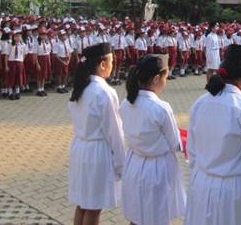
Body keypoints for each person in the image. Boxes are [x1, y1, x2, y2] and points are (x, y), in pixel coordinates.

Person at [185, 44, 241, 225]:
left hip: (201, 184)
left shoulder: (200, 103)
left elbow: (192, 154)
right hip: (233, 193)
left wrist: (198, 182)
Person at [120, 54, 186, 225]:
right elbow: (175, 144)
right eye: (166, 76)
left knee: (137, 216)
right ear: (157, 78)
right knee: (157, 217)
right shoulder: (161, 108)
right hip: (157, 170)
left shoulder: (126, 103)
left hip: (134, 165)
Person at [68, 43, 125, 225]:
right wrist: (121, 166)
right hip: (97, 153)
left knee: (82, 204)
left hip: (80, 148)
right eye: (111, 61)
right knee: (93, 208)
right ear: (102, 65)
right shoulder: (104, 92)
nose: (113, 65)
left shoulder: (81, 88)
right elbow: (114, 133)